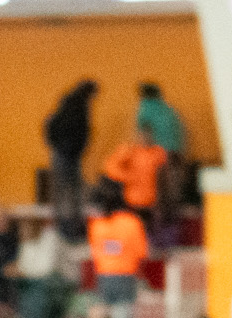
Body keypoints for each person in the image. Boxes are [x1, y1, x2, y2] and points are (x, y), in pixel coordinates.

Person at [45, 80, 98, 242]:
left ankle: (63, 227)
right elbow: (82, 132)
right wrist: (75, 148)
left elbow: (50, 125)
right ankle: (70, 229)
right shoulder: (80, 107)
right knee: (71, 192)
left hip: (62, 153)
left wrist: (56, 145)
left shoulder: (65, 104)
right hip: (69, 155)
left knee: (63, 192)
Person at [137, 82, 188, 234]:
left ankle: (158, 227)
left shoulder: (145, 107)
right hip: (176, 152)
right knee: (172, 189)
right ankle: (173, 224)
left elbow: (144, 133)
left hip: (159, 154)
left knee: (157, 190)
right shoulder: (168, 109)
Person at [86, 185, 148, 305]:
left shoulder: (97, 224)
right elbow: (141, 253)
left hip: (104, 275)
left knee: (104, 312)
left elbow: (94, 252)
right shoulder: (132, 222)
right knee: (124, 312)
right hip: (127, 275)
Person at [11, 214, 67, 318]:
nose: (21, 233)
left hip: (58, 280)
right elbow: (23, 264)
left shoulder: (51, 237)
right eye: (20, 230)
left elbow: (47, 268)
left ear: (34, 226)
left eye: (25, 229)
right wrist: (16, 270)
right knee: (14, 285)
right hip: (34, 280)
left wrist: (23, 271)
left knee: (38, 289)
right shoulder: (26, 241)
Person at [100, 126, 168, 217]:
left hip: (153, 202)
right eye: (142, 136)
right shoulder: (130, 151)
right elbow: (110, 167)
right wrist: (127, 177)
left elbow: (166, 174)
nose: (144, 139)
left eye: (147, 136)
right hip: (133, 201)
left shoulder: (158, 153)